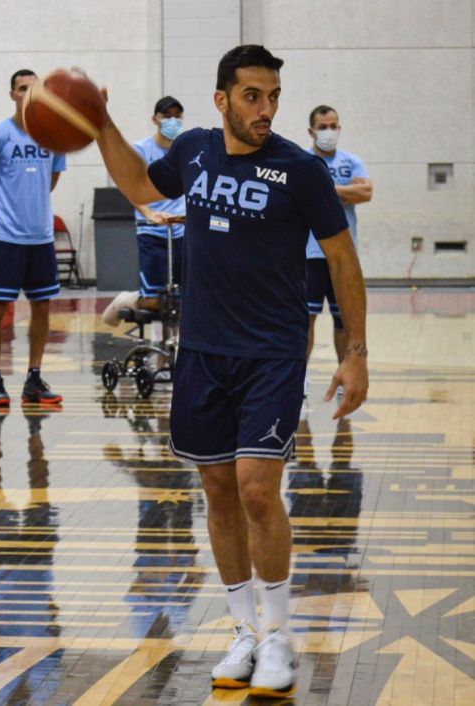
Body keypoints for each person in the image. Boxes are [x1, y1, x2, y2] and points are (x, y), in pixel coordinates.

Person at [96, 45, 369, 698]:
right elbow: (140, 188)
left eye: (273, 96)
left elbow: (342, 258)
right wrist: (101, 123)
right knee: (217, 490)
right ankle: (243, 630)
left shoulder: (301, 170)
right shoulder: (194, 149)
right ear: (222, 99)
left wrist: (355, 355)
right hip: (202, 351)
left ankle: (276, 635)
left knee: (256, 490)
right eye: (252, 96)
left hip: (273, 352)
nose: (265, 108)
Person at [0, 69, 67, 407]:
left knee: (42, 307)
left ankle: (34, 379)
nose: (28, 94)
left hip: (40, 237)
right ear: (12, 94)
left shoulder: (53, 136)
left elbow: (51, 180)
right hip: (5, 237)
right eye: (22, 88)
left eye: (34, 88)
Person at [102, 96, 187, 329]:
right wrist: (149, 213)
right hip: (152, 231)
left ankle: (174, 348)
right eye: (166, 116)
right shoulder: (141, 150)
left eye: (177, 116)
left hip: (181, 230)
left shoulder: (184, 152)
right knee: (154, 301)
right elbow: (130, 187)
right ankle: (125, 300)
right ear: (155, 119)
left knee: (182, 300)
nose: (172, 120)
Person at [304, 105, 372, 396]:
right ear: (311, 131)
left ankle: (346, 375)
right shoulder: (304, 162)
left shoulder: (351, 161)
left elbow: (365, 192)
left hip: (344, 256)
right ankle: (300, 379)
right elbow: (301, 195)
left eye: (334, 126)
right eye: (323, 127)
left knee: (343, 320)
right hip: (310, 254)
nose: (329, 132)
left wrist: (327, 190)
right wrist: (346, 191)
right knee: (305, 319)